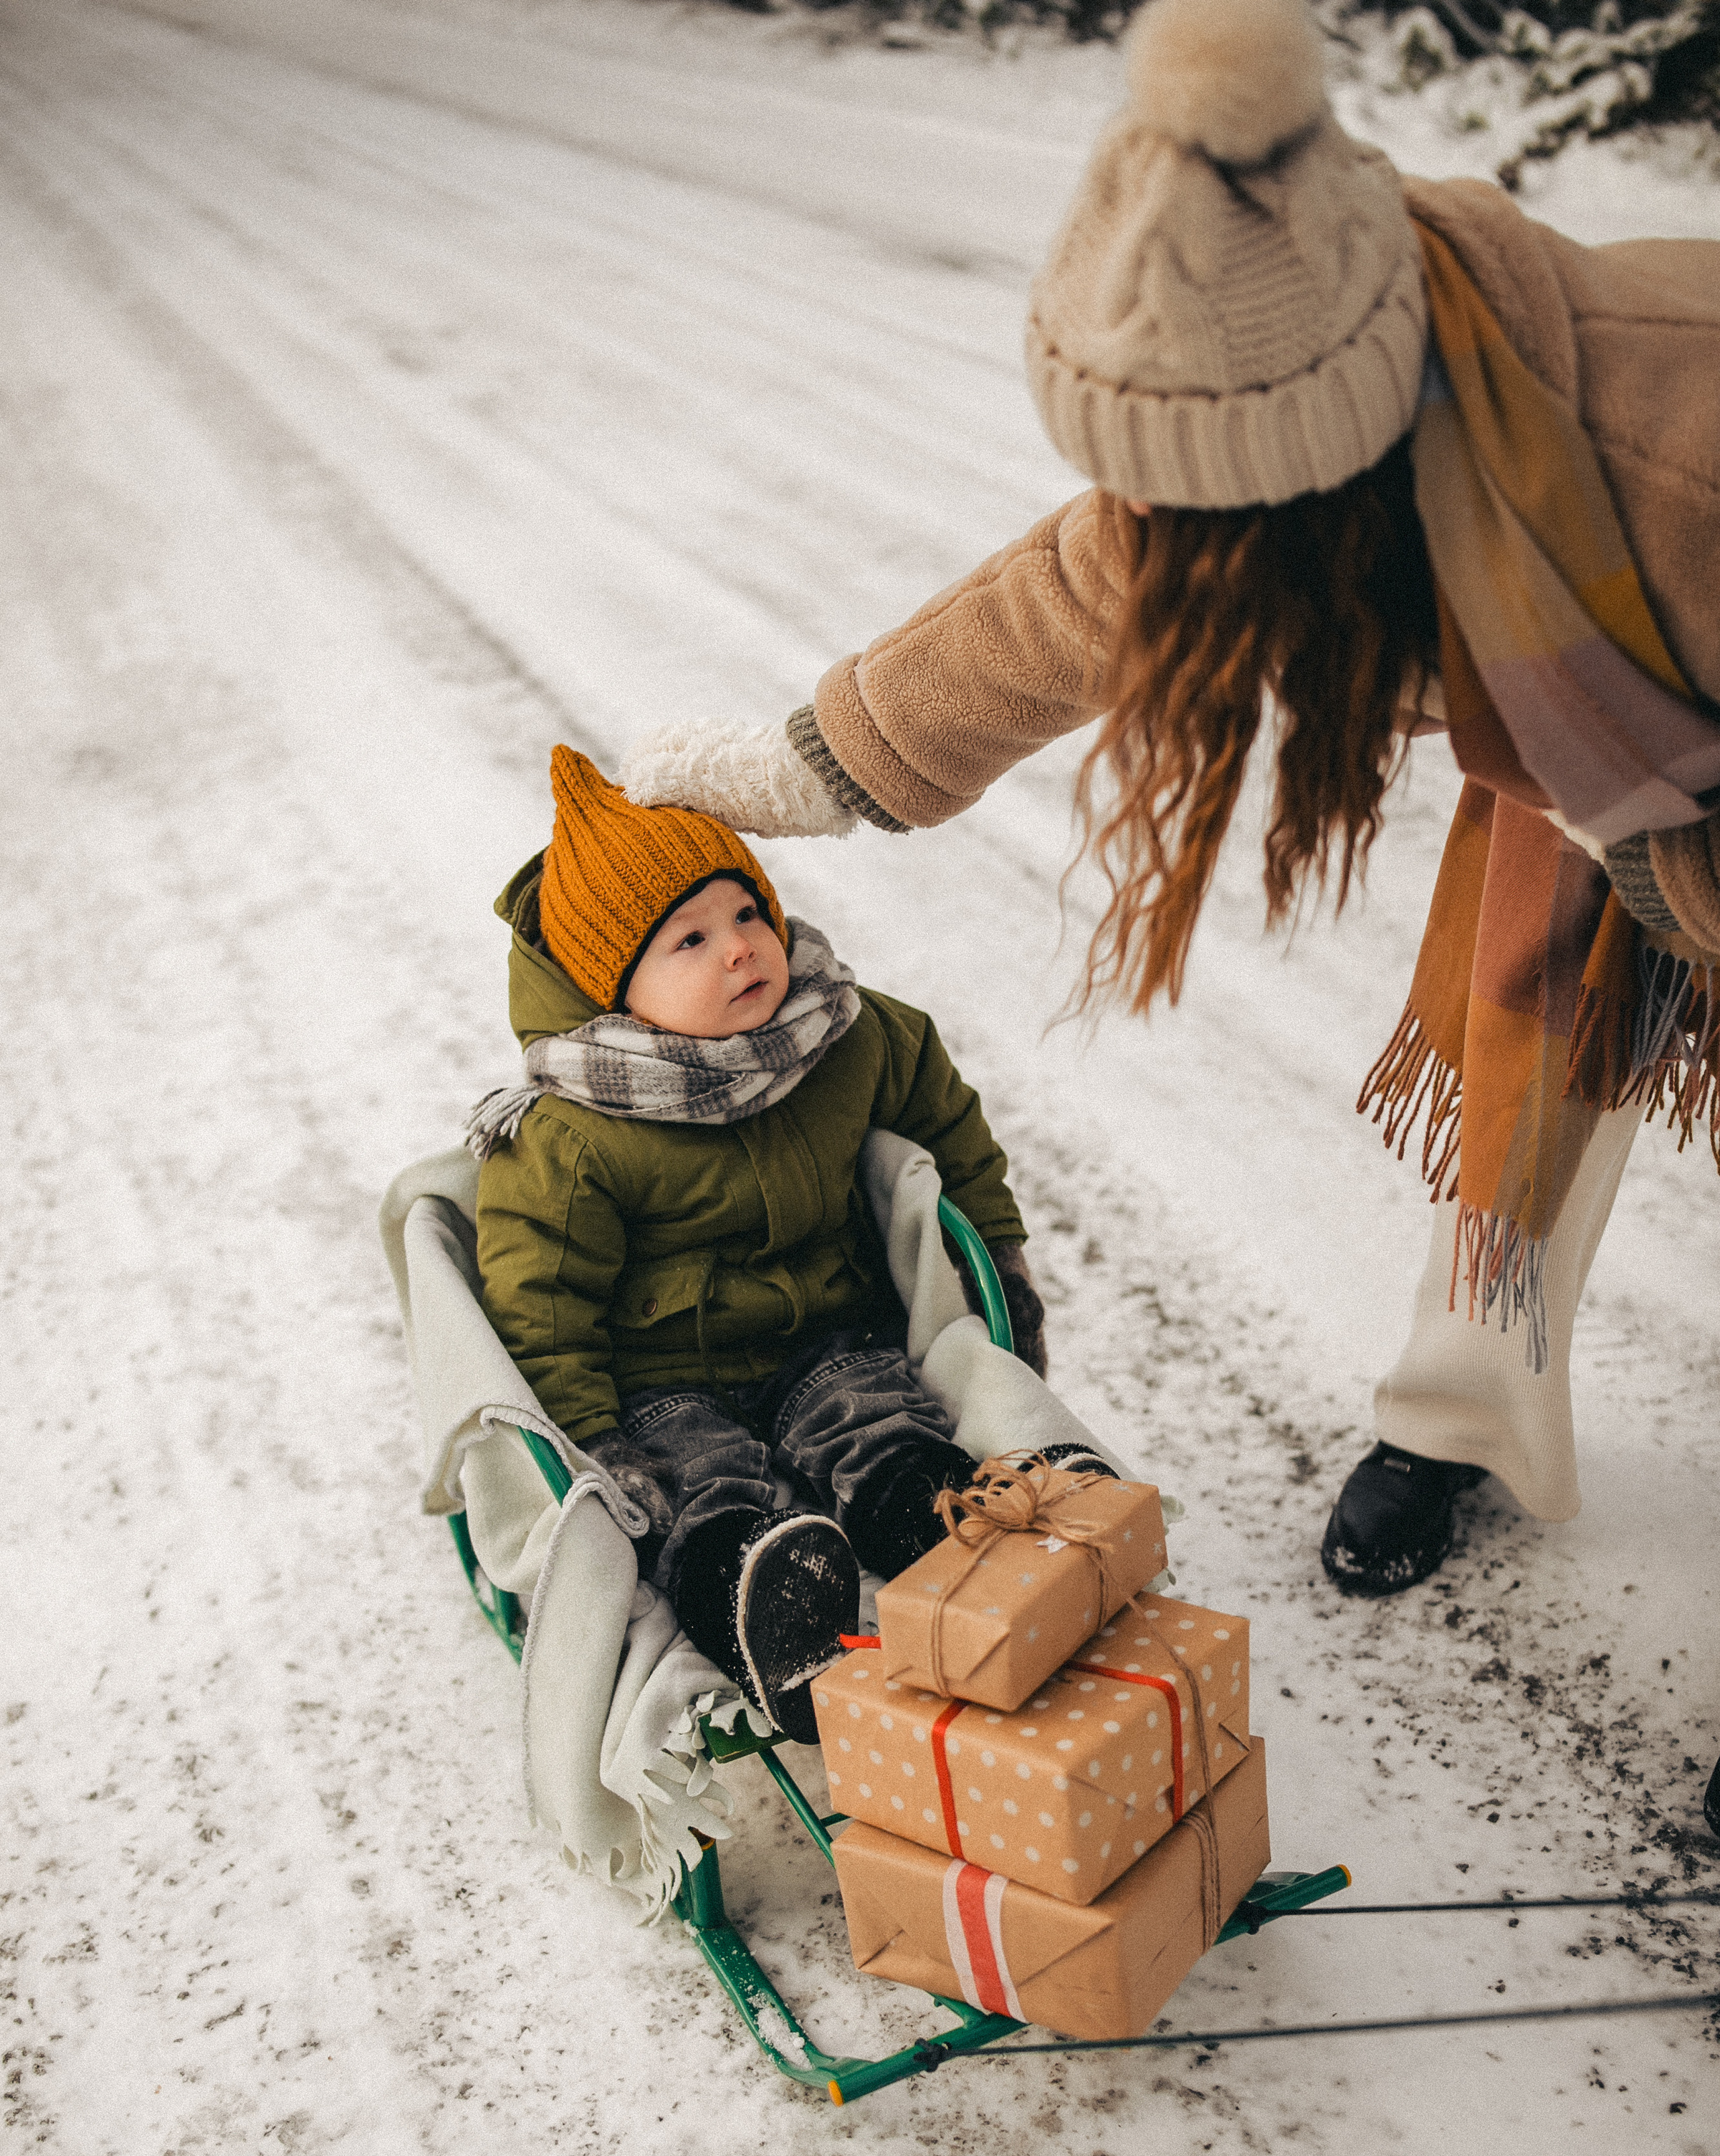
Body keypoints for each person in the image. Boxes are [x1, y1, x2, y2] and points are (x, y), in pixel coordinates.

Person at [619, 0, 1720, 1604]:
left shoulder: (1665, 452)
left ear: (1327, 471)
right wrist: (811, 763)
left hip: (1659, 745)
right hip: (1603, 773)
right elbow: (1083, 590)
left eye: (1205, 527)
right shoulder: (1274, 448)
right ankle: (1464, 1412)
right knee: (1519, 1070)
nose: (1161, 550)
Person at [468, 746, 1065, 1740]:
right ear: (612, 990)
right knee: (699, 1487)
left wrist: (995, 1260)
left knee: (881, 1420)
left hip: (829, 1338)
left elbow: (949, 1132)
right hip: (664, 1382)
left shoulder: (847, 1038)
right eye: (688, 941)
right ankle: (766, 1602)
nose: (740, 949)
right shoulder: (572, 1137)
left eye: (747, 913)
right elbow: (542, 1311)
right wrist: (596, 1448)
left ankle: (939, 1536)